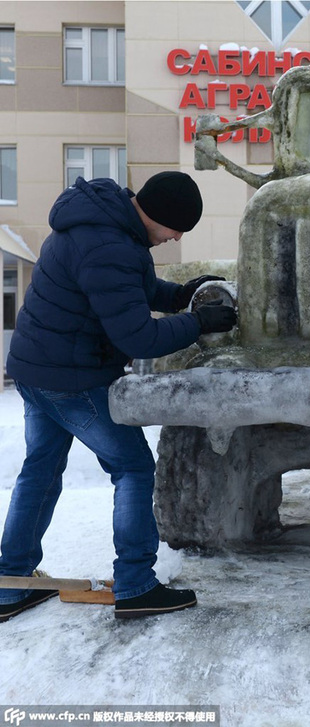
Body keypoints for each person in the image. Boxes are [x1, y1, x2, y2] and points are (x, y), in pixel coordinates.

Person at [0, 172, 236, 622]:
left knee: (41, 470)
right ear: (158, 216)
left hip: (36, 367)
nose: (177, 238)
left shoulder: (108, 223)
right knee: (132, 467)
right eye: (177, 228)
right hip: (69, 378)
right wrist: (200, 324)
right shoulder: (111, 246)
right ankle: (136, 586)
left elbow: (132, 293)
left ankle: (9, 584)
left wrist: (182, 296)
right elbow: (138, 336)